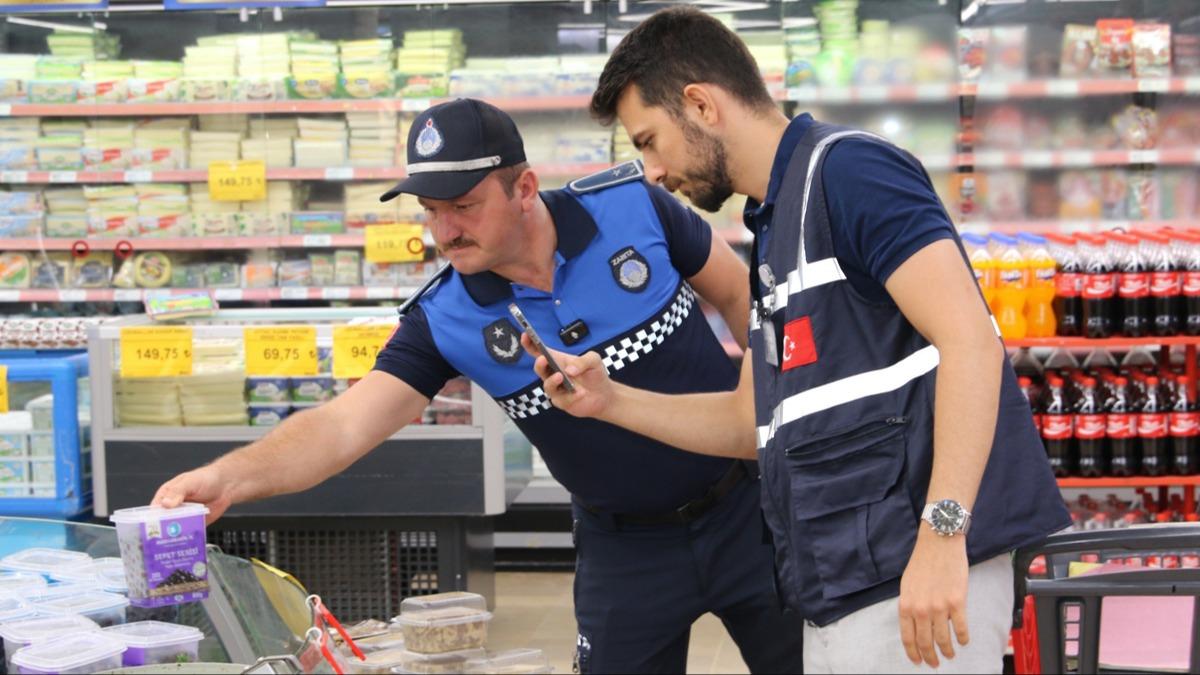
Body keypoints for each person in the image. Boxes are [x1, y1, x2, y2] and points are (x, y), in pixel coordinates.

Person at [152, 98, 804, 674]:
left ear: (524, 187)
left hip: (749, 510)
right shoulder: (444, 318)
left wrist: (772, 426)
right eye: (431, 211)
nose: (445, 231)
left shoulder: (635, 208)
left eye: (463, 206)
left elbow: (745, 299)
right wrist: (228, 477)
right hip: (624, 551)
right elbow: (343, 425)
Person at [523, 8, 1072, 674]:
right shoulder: (776, 227)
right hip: (843, 579)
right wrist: (610, 401)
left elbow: (971, 343)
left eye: (650, 140)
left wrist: (942, 533)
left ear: (700, 105)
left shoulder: (851, 172)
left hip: (915, 578)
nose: (653, 171)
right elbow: (745, 422)